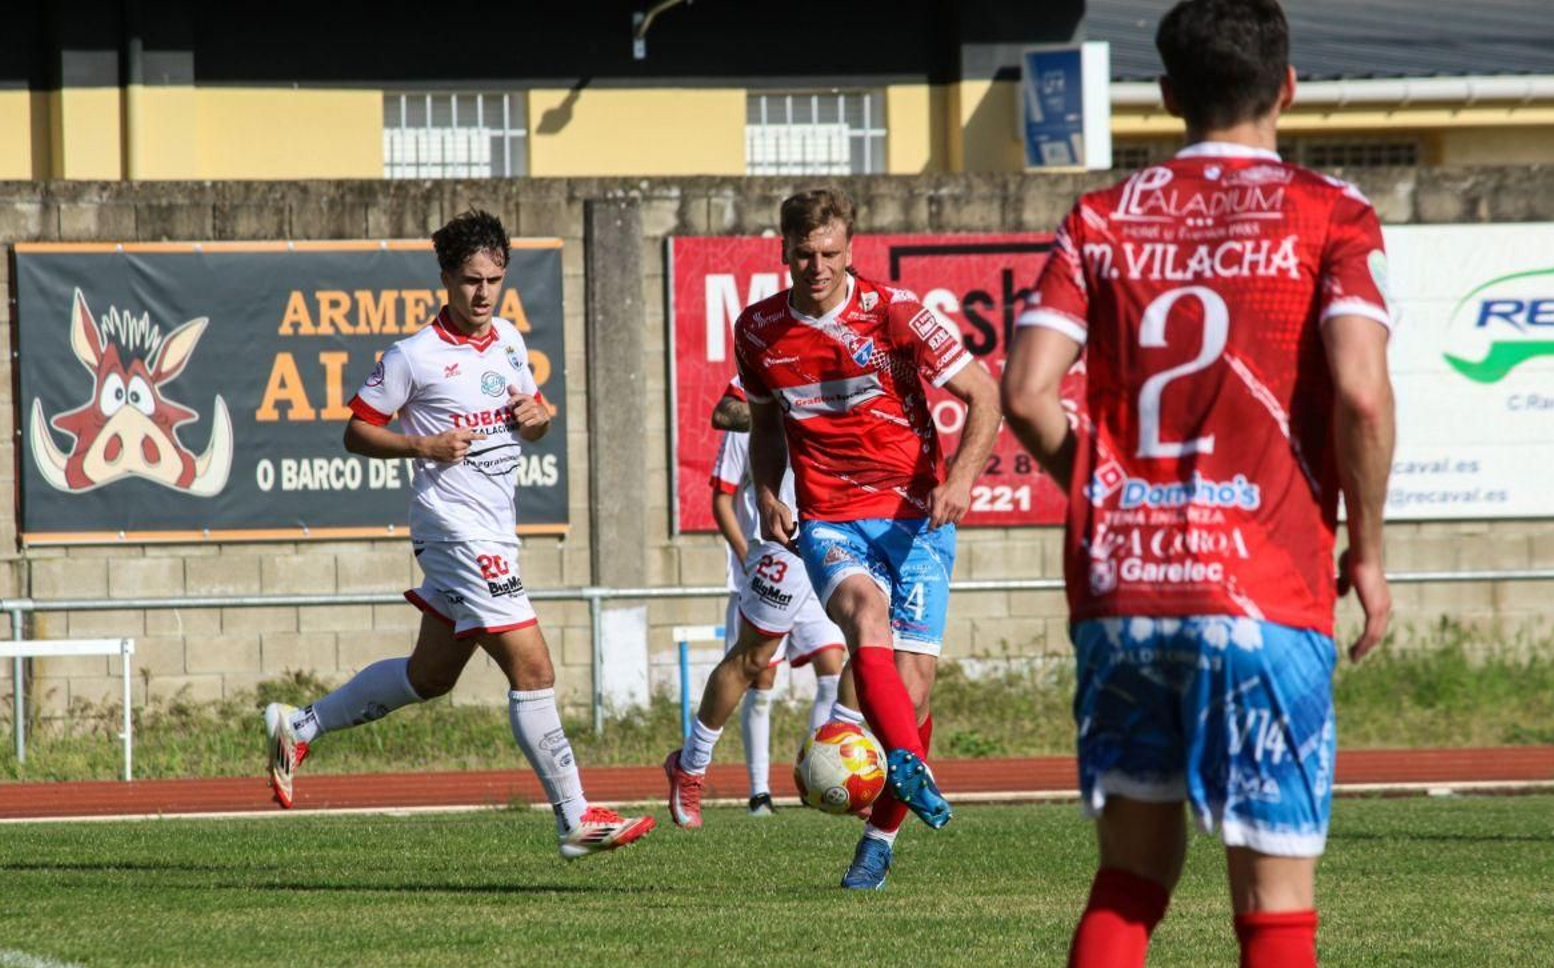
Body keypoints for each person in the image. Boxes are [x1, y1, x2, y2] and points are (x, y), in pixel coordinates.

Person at [1002, 1, 1395, 968]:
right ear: (1290, 85)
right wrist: (1366, 546)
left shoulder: (1099, 216)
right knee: (1272, 897)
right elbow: (1359, 393)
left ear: (1166, 97)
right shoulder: (1332, 214)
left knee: (1129, 874)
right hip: (1259, 589)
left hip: (1126, 589)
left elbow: (1029, 394)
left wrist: (1113, 491)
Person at [263, 208, 655, 861]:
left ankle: (299, 724)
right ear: (446, 277)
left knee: (431, 674)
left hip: (494, 530)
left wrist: (538, 418)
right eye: (471, 279)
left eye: (494, 279)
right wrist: (423, 442)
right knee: (533, 664)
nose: (483, 293)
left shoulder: (506, 338)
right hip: (454, 530)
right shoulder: (413, 357)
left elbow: (531, 422)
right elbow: (355, 430)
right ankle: (575, 816)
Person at [728, 188, 1002, 890]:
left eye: (828, 254)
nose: (816, 267)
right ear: (783, 251)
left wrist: (962, 478)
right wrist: (765, 490)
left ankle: (878, 840)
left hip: (915, 515)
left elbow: (985, 395)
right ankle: (909, 764)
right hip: (828, 515)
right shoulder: (758, 329)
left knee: (910, 693)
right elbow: (764, 423)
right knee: (860, 610)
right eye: (802, 254)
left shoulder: (895, 312)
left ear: (850, 250)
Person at [663, 378, 854, 825]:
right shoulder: (778, 346)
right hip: (787, 536)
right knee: (754, 661)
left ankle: (831, 770)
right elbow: (726, 413)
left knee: (863, 648)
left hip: (848, 528)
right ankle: (691, 768)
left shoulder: (865, 341)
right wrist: (791, 408)